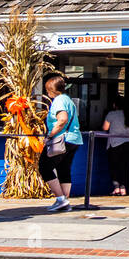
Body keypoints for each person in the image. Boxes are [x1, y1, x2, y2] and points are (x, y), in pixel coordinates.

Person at [40, 74, 82, 212]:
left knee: (44, 167)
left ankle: (60, 199)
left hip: (61, 139)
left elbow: (62, 119)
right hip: (74, 139)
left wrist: (49, 136)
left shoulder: (58, 101)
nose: (47, 92)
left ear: (52, 89)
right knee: (64, 169)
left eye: (47, 89)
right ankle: (64, 201)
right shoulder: (68, 100)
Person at [101, 96, 129, 196]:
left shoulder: (111, 114)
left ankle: (117, 188)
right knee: (125, 166)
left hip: (115, 143)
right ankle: (124, 189)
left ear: (115, 105)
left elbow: (105, 128)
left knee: (115, 166)